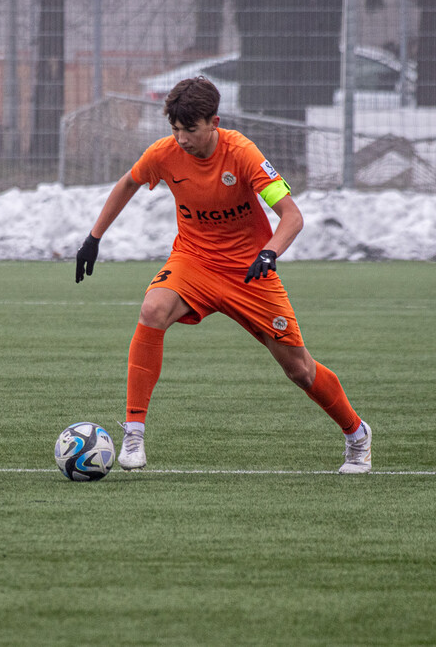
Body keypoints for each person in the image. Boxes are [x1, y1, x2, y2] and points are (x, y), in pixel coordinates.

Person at [74, 76, 371, 474]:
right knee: (152, 310)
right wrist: (94, 238)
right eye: (175, 129)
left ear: (214, 121)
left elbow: (291, 216)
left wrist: (270, 252)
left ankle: (356, 434)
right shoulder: (164, 153)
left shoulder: (243, 154)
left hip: (249, 272)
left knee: (298, 369)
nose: (181, 138)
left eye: (190, 129)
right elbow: (128, 183)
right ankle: (134, 434)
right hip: (193, 261)